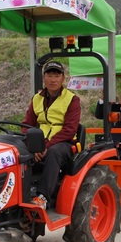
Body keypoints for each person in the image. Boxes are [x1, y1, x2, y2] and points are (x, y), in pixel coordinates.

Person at [21, 60, 80, 210]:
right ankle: (20, 191)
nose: (53, 79)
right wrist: (31, 146)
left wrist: (45, 146)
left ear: (63, 78)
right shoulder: (36, 98)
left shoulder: (72, 99)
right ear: (44, 78)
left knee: (53, 153)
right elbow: (26, 125)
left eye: (57, 75)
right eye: (49, 75)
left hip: (63, 142)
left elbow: (70, 129)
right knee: (17, 150)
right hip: (39, 143)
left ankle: (43, 197)